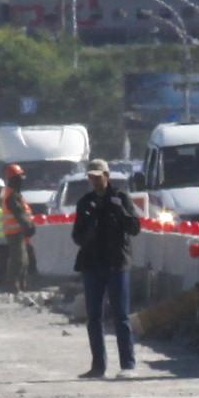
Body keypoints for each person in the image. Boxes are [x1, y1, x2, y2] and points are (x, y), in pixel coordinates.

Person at [69, 160, 138, 377]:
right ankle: (98, 366)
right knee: (94, 317)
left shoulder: (121, 198)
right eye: (92, 177)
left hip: (117, 263)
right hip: (92, 264)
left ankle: (127, 365)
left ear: (107, 176)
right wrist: (89, 229)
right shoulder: (85, 202)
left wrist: (120, 212)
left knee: (121, 316)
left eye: (98, 176)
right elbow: (76, 236)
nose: (95, 181)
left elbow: (135, 228)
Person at [0, 182, 38, 292]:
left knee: (21, 261)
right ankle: (5, 283)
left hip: (16, 236)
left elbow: (23, 216)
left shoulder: (13, 199)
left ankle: (21, 283)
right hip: (1, 240)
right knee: (4, 262)